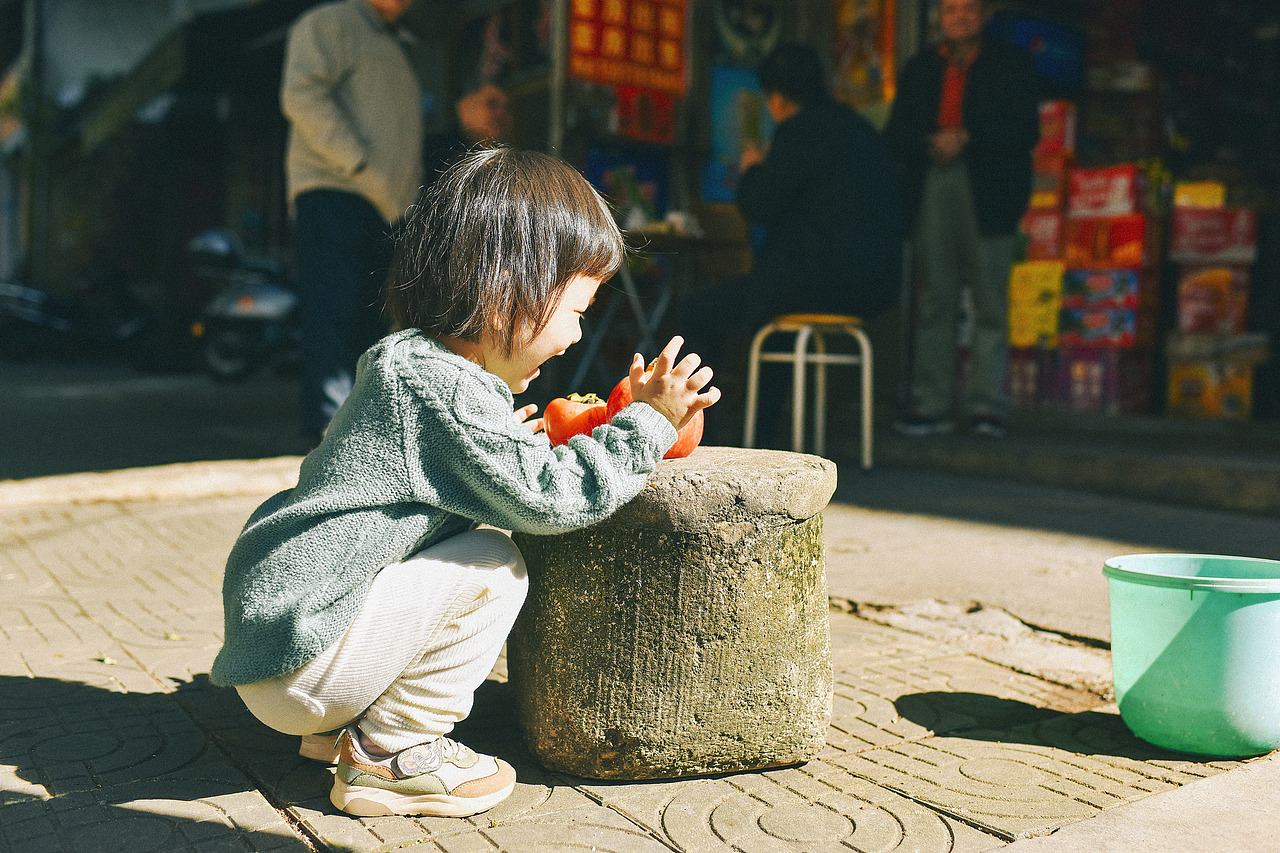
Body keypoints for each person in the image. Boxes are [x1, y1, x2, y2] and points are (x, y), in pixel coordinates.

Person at [209, 148, 719, 819]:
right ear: (509, 288)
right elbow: (551, 498)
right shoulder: (443, 388)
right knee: (492, 564)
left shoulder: (418, 363)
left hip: (286, 638)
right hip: (302, 658)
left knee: (466, 547)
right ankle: (392, 753)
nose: (576, 336)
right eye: (577, 309)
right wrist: (647, 423)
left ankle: (345, 727)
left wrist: (513, 438)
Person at [678, 42, 903, 446]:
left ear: (776, 99)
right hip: (876, 286)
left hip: (818, 282)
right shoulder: (860, 131)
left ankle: (687, 435)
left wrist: (751, 170)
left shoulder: (798, 132)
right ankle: (760, 437)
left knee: (696, 312)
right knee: (776, 322)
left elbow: (759, 205)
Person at [884, 0, 1039, 439]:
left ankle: (986, 406)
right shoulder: (920, 67)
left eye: (969, 8)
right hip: (934, 181)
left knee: (991, 301)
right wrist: (931, 143)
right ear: (939, 17)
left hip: (990, 188)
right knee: (935, 299)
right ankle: (930, 403)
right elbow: (897, 132)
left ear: (986, 13)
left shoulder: (1012, 63)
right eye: (950, 9)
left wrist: (967, 138)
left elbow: (1024, 129)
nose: (960, 16)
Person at [280, 0, 424, 444]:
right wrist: (359, 164)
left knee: (371, 319)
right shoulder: (330, 22)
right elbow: (301, 95)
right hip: (335, 191)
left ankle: (356, 434)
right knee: (332, 314)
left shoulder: (395, 41)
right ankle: (326, 433)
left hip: (384, 205)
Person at [422, 78, 512, 185]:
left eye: (507, 108)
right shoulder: (433, 150)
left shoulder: (508, 161)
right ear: (464, 108)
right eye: (492, 104)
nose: (501, 114)